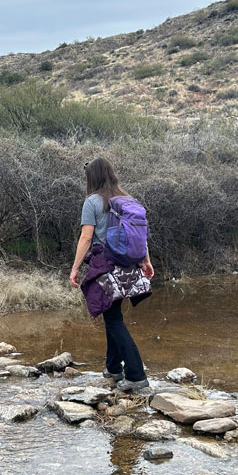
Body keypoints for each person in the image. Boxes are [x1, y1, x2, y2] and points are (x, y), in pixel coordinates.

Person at [69, 157, 153, 392]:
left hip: (106, 266)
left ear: (92, 178)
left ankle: (136, 375)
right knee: (112, 314)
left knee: (113, 319)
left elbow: (86, 238)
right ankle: (114, 368)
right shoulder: (129, 199)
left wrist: (75, 268)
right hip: (129, 265)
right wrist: (146, 261)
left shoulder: (92, 202)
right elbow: (140, 235)